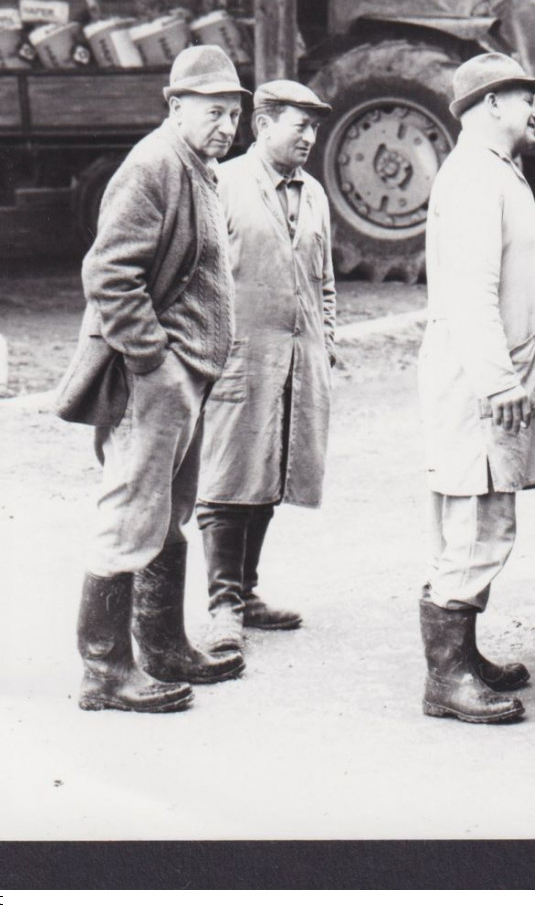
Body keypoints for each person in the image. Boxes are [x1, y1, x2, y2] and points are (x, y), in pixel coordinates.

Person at [54, 44, 248, 713]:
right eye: (214, 111)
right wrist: (153, 362)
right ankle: (105, 670)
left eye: (235, 113)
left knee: (166, 515)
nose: (228, 125)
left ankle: (163, 647)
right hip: (155, 378)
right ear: (175, 106)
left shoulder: (200, 165)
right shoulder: (154, 165)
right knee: (130, 515)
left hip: (187, 374)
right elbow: (109, 273)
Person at [415, 53, 535, 724]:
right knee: (475, 522)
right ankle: (446, 679)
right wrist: (499, 380)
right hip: (483, 381)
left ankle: (463, 656)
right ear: (488, 106)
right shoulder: (477, 179)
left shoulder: (494, 173)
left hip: (490, 374)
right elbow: (471, 292)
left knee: (485, 518)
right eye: (521, 95)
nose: (534, 108)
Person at [194, 81, 337, 660]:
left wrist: (324, 340)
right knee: (228, 478)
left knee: (272, 470)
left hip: (297, 363)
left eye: (314, 126)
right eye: (297, 125)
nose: (309, 136)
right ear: (262, 126)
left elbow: (324, 281)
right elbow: (195, 277)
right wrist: (208, 350)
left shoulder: (316, 194)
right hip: (238, 358)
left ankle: (247, 594)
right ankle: (222, 606)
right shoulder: (223, 185)